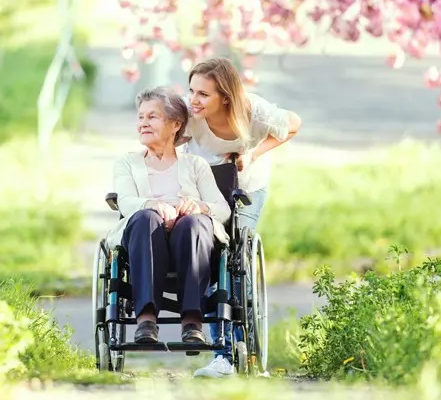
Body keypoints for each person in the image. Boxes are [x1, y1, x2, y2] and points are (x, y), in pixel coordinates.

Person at [182, 57, 302, 378]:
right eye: (191, 90)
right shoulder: (188, 113)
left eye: (203, 94)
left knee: (235, 264)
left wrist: (252, 154)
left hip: (246, 189)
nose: (194, 99)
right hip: (204, 192)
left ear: (225, 96)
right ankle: (222, 356)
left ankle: (244, 352)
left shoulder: (254, 111)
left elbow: (294, 124)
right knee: (206, 261)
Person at [104, 86, 231, 345]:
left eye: (152, 117)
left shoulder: (195, 165)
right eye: (140, 117)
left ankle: (192, 322)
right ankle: (147, 320)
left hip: (192, 238)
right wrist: (152, 204)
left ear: (175, 124)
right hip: (145, 236)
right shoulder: (127, 163)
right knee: (145, 218)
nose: (143, 124)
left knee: (194, 223)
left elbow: (223, 209)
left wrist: (199, 207)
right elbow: (126, 202)